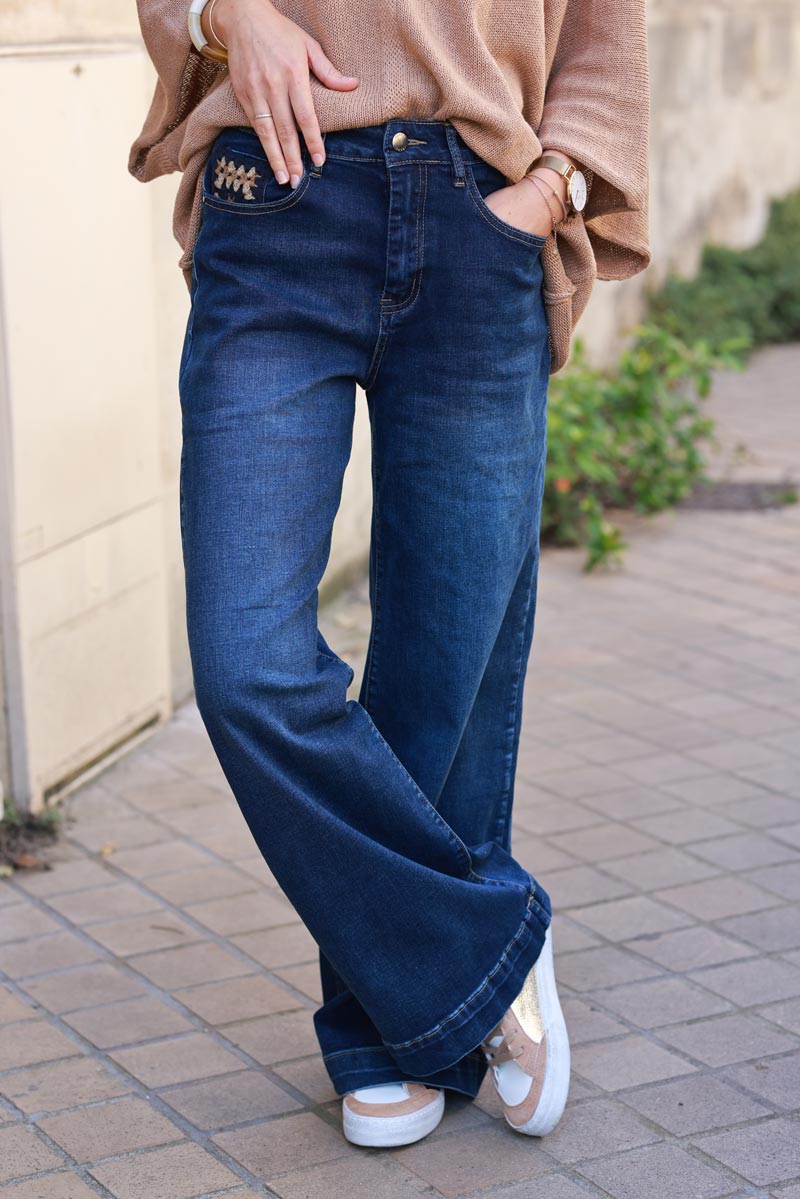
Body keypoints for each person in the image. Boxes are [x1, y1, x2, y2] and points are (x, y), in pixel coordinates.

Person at [130, 0, 651, 1150]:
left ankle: (382, 1030)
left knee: (442, 661)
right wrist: (224, 14)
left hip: (482, 214)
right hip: (277, 206)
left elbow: (604, 34)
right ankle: (486, 940)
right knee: (244, 660)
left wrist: (552, 188)